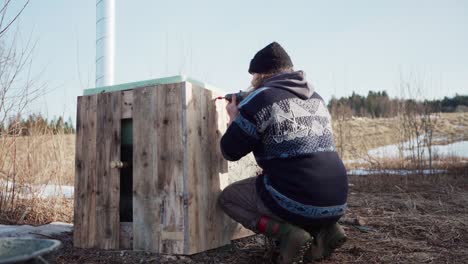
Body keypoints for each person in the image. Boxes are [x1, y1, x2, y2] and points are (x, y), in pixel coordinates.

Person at [218, 42, 349, 264]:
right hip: (337, 201)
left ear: (259, 74)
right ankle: (327, 230)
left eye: (253, 76)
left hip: (300, 199)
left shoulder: (261, 99)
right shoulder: (317, 98)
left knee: (229, 199)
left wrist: (234, 118)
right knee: (296, 186)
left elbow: (229, 151)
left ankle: (288, 234)